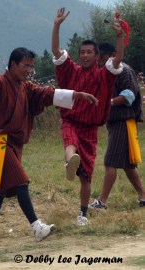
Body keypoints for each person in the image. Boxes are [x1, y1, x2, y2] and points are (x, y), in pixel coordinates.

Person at [0, 47, 98, 251]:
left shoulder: (25, 87)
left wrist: (76, 95)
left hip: (14, 144)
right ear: (13, 65)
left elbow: (47, 93)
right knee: (21, 182)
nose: (29, 70)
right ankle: (36, 226)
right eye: (25, 65)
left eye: (31, 66)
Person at [51, 7, 125, 225]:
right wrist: (56, 25)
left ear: (97, 56)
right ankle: (70, 162)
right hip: (70, 121)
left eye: (88, 53)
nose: (84, 55)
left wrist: (119, 35)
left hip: (90, 129)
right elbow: (56, 51)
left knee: (86, 177)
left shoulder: (104, 76)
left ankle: (83, 213)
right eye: (81, 52)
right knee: (70, 145)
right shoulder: (70, 70)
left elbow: (118, 58)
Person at [89, 42, 145, 209]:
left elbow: (129, 96)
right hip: (114, 121)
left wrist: (108, 102)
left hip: (123, 121)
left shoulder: (125, 71)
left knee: (110, 162)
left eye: (104, 58)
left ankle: (102, 201)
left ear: (114, 55)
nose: (100, 62)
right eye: (99, 59)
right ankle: (143, 196)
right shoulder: (106, 72)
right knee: (128, 165)